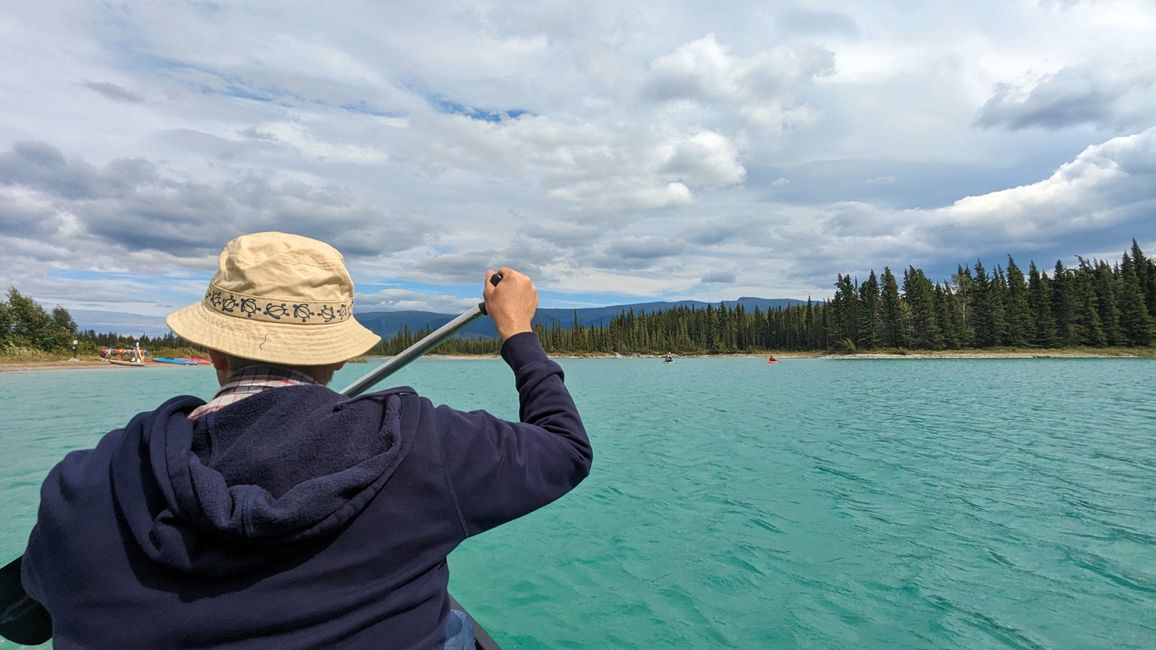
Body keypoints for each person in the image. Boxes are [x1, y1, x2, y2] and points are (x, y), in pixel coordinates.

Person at [19, 232, 593, 649]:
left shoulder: (85, 482)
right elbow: (566, 448)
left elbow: (39, 608)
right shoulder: (425, 444)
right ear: (339, 351)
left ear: (214, 348)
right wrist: (517, 331)